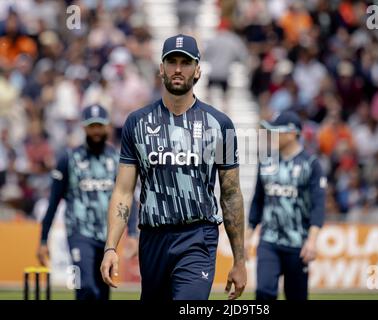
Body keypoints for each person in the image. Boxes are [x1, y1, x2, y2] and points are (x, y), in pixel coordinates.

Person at [100, 34, 247, 301]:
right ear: (161, 68)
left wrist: (239, 260)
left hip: (198, 236)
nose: (178, 69)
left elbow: (231, 194)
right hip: (153, 238)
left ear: (198, 69)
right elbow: (123, 191)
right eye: (171, 61)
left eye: (186, 62)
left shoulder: (221, 125)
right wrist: (111, 247)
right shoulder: (137, 123)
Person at [37, 104, 139, 300]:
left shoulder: (117, 159)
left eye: (99, 126)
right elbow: (53, 202)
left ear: (108, 127)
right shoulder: (69, 159)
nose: (96, 131)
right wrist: (43, 240)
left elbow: (129, 198)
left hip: (109, 235)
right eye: (92, 126)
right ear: (84, 127)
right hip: (79, 232)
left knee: (102, 291)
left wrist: (133, 234)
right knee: (86, 287)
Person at [247, 110, 326, 300]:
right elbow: (257, 202)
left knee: (296, 297)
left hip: (298, 244)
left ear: (292, 133)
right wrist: (246, 238)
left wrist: (312, 241)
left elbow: (318, 205)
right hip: (269, 241)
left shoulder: (311, 164)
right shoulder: (266, 163)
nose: (272, 135)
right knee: (264, 292)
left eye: (277, 131)